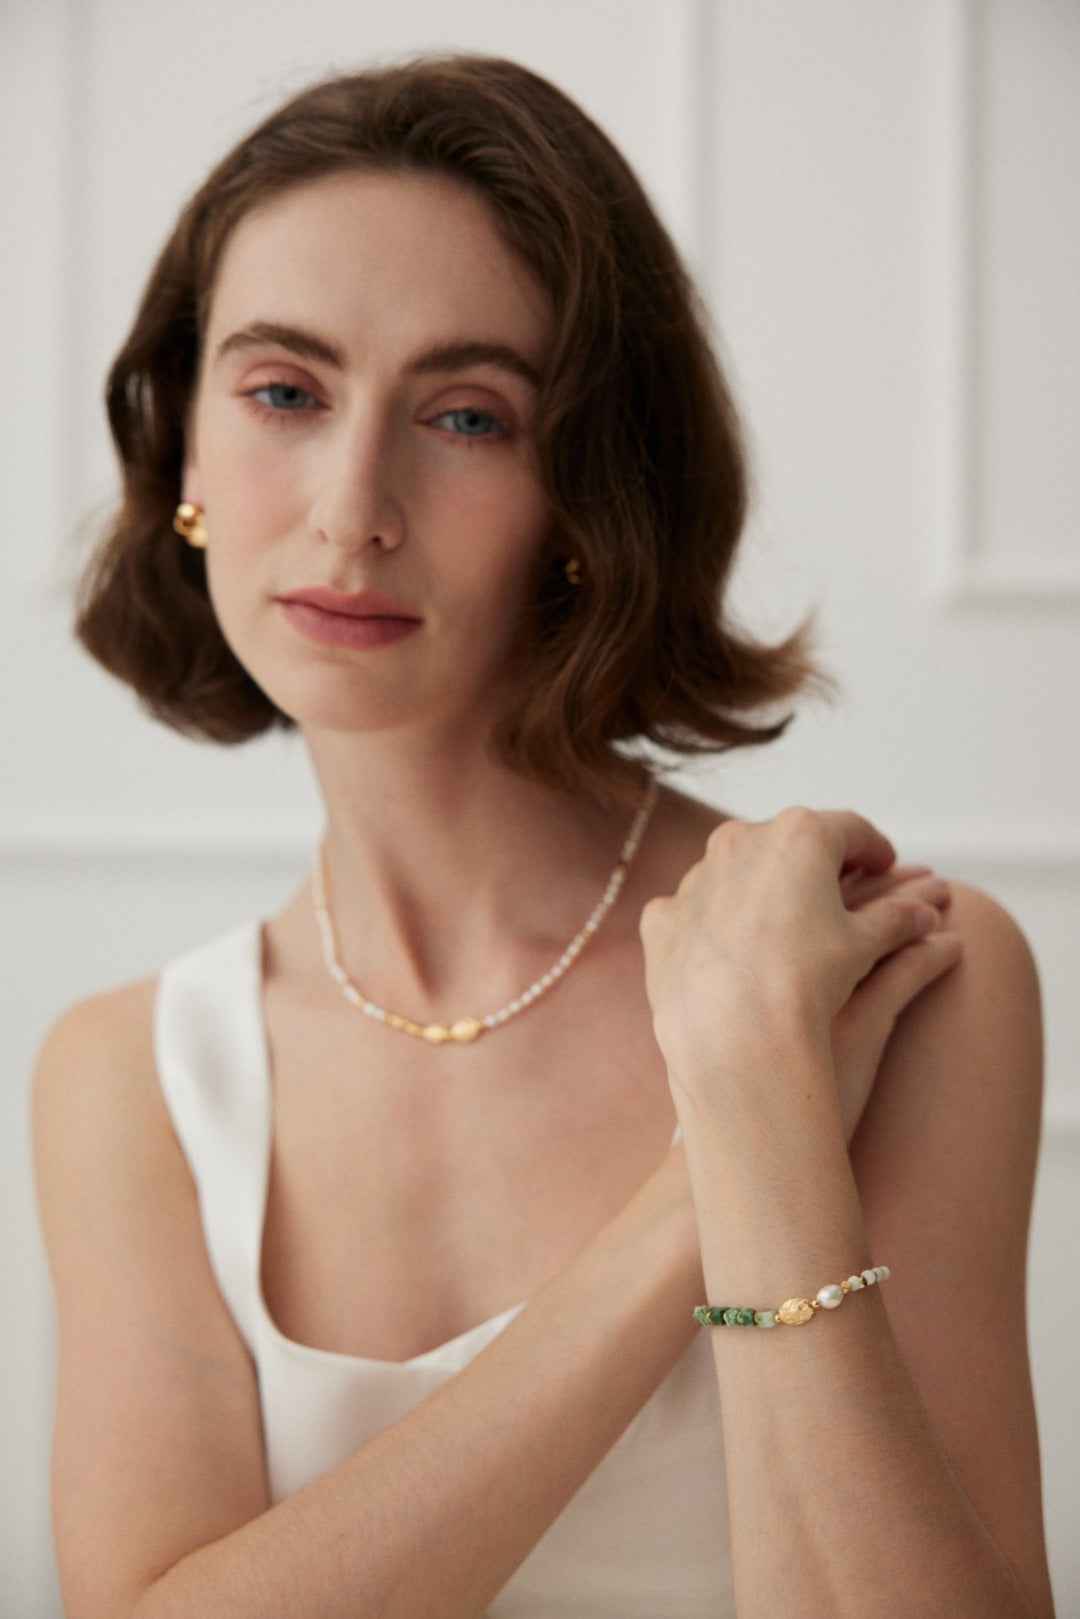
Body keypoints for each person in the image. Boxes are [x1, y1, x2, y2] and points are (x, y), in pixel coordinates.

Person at [32, 54, 1054, 1619]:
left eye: (465, 414)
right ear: (183, 454)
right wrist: (706, 1173)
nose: (354, 506)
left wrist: (774, 1117)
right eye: (285, 392)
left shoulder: (891, 973)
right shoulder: (131, 1078)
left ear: (589, 491)